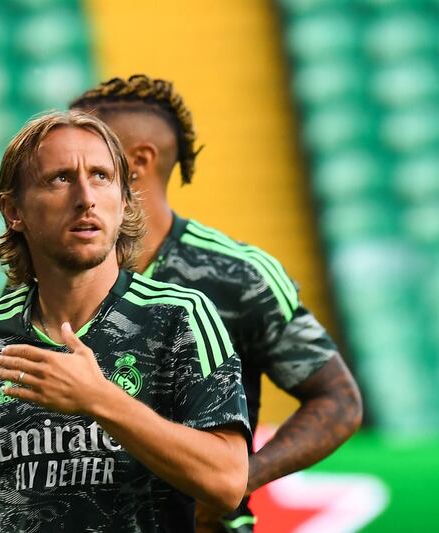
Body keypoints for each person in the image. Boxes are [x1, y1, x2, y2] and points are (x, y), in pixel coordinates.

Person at [70, 75, 363, 532]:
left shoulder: (237, 276)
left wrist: (244, 475)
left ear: (137, 161)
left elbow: (338, 399)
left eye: (88, 156)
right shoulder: (49, 269)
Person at [0, 110, 251, 533]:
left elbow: (228, 481)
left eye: (102, 176)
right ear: (13, 210)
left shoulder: (178, 317)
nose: (85, 196)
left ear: (124, 201)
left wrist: (99, 399)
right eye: (61, 178)